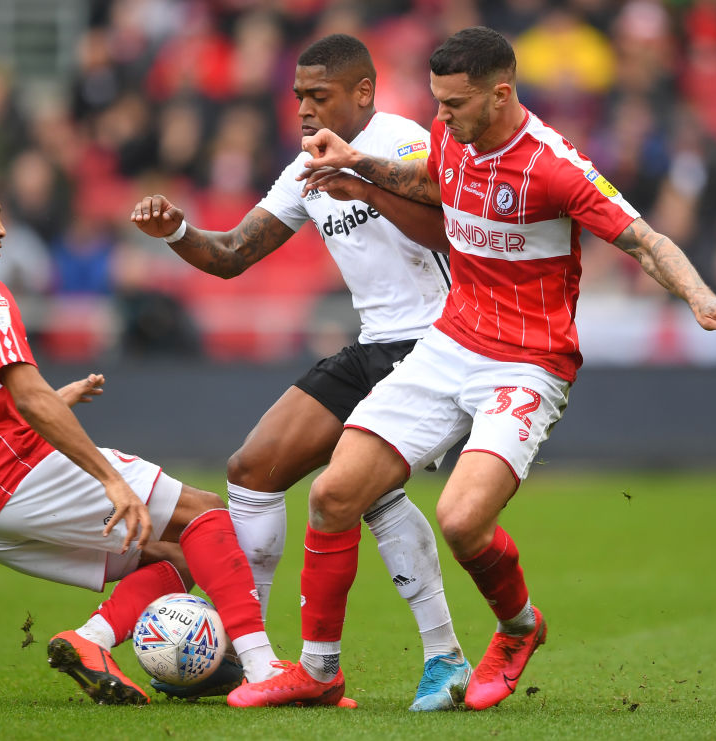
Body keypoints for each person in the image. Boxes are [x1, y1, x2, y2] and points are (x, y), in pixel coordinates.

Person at [229, 26, 716, 710]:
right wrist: (358, 163)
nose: (439, 120)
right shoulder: (452, 136)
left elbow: (644, 239)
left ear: (500, 94)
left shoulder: (554, 166)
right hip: (451, 342)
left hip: (529, 363)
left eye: (453, 105)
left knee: (461, 520)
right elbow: (428, 180)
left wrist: (701, 296)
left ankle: (517, 627)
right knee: (334, 495)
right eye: (437, 103)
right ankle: (319, 669)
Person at [131, 34, 469, 711]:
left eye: (321, 96)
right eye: (299, 98)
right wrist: (175, 231)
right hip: (372, 346)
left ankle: (445, 657)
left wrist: (360, 175)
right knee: (252, 470)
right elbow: (231, 254)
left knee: (360, 494)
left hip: (437, 343)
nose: (306, 111)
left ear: (362, 93)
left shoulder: (400, 140)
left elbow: (446, 229)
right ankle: (242, 640)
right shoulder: (302, 169)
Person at [0, 160, 286, 706]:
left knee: (177, 556)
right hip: (15, 472)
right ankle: (264, 668)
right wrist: (110, 481)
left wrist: (55, 400)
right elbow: (25, 396)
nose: (3, 231)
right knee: (205, 512)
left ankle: (92, 641)